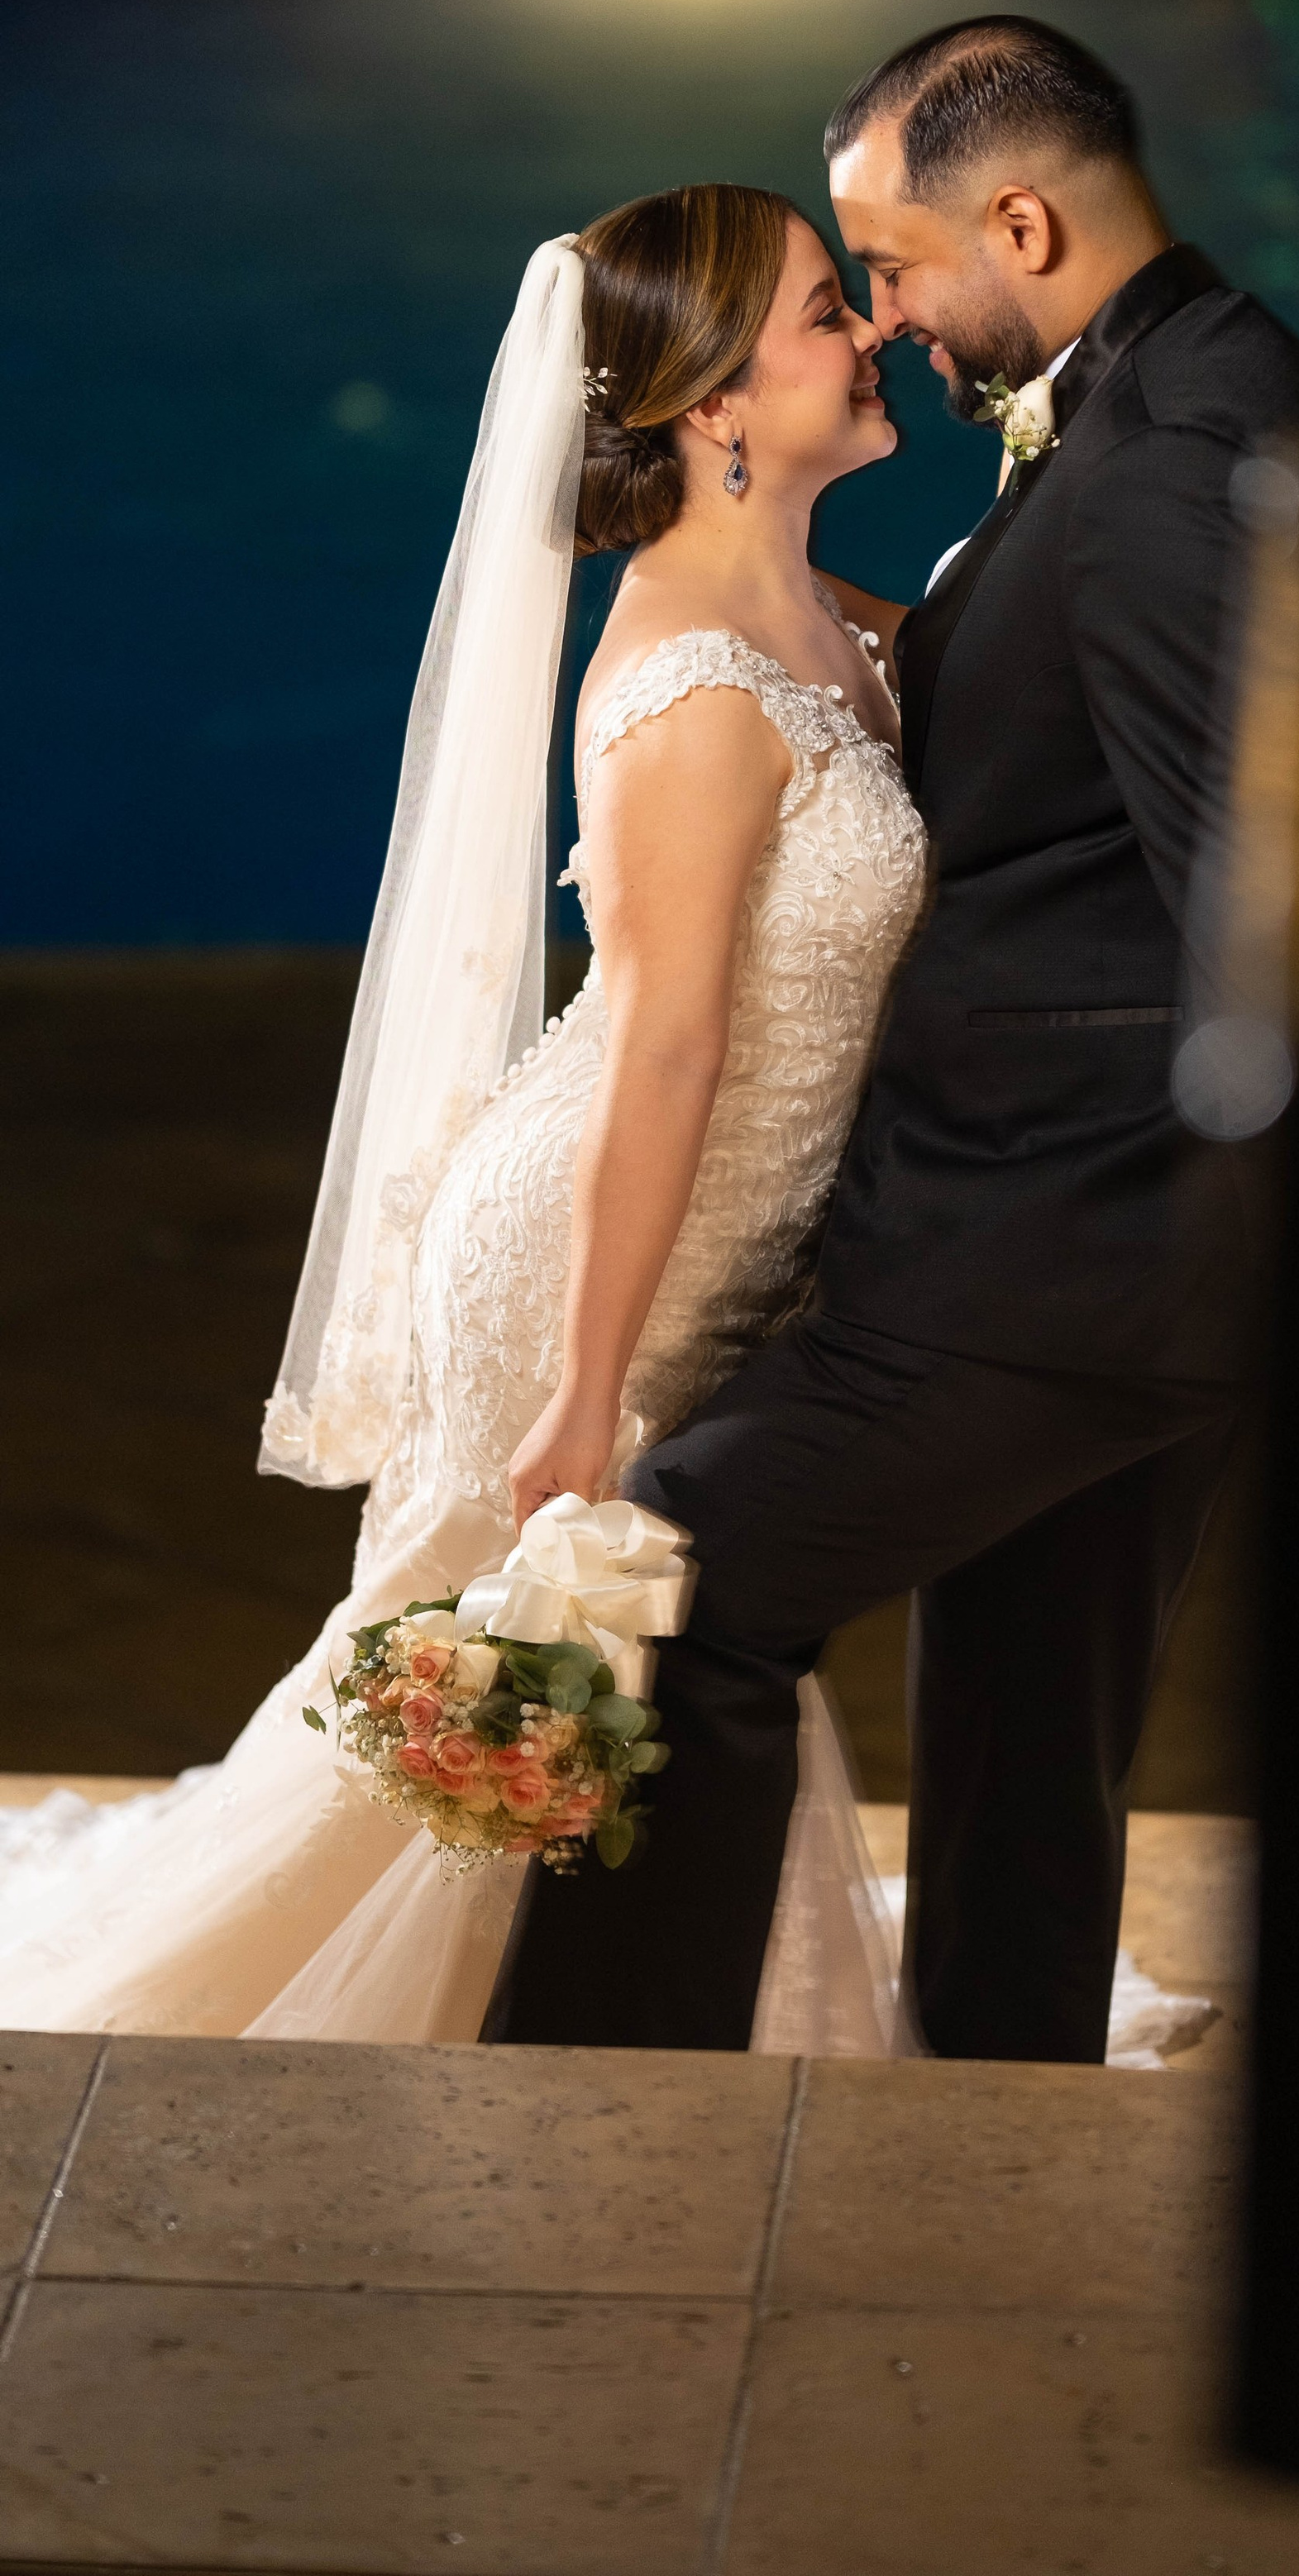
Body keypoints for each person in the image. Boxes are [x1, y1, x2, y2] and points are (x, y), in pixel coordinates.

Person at [485, 16, 1299, 2064]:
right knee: (1021, 1739)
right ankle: (1001, 2108)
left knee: (683, 1598)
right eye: (845, 294)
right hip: (1112, 1240)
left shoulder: (1159, 464)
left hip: (1062, 1244)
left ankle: (600, 2119)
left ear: (1023, 220)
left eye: (886, 269)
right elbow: (1076, 697)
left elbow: (1266, 887)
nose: (884, 319)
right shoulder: (1172, 402)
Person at [0, 187, 929, 2046]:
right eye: (831, 311)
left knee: (619, 1650)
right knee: (532, 1648)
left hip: (697, 1234)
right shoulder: (685, 690)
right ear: (712, 407)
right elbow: (663, 1053)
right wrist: (585, 1390)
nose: (875, 333)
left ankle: (643, 2020)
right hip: (591, 1254)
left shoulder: (827, 619)